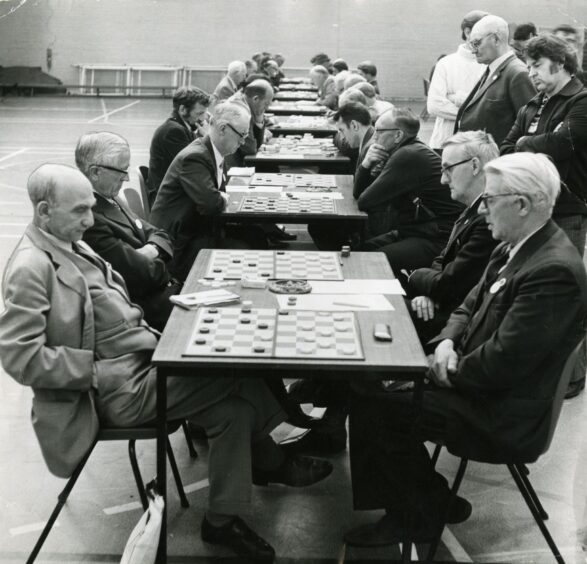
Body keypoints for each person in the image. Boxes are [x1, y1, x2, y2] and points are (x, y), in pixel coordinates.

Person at [0, 164, 333, 562]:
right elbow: (20, 357)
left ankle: (223, 520)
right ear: (43, 212)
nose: (90, 220)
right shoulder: (31, 268)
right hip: (111, 391)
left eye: (91, 208)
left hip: (141, 365)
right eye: (79, 211)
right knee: (240, 367)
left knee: (234, 411)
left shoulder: (71, 242)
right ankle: (275, 459)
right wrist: (93, 372)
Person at [345, 152, 587, 547]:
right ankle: (429, 497)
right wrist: (444, 343)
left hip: (502, 411)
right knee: (372, 381)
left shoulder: (552, 271)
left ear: (522, 204)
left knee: (376, 401)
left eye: (490, 200)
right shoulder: (517, 244)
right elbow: (467, 306)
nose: (482, 208)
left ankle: (412, 516)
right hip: (478, 383)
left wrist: (439, 369)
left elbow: (501, 365)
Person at [501, 34, 587, 398]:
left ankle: (572, 376)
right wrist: (527, 146)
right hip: (530, 213)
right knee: (533, 295)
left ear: (561, 63)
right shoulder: (533, 105)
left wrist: (525, 145)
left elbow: (561, 144)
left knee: (564, 298)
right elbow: (506, 148)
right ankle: (541, 373)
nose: (531, 73)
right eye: (530, 66)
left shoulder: (581, 102)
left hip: (567, 212)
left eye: (537, 66)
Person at [150, 101, 268, 282]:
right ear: (222, 129)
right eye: (242, 135)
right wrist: (220, 197)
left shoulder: (212, 151)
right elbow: (211, 204)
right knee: (249, 244)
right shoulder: (195, 157)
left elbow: (216, 196)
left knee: (256, 234)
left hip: (198, 229)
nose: (243, 141)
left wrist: (220, 196)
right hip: (181, 245)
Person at [77, 132, 180, 331]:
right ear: (95, 172)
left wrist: (150, 252)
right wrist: (162, 260)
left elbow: (160, 233)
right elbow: (141, 276)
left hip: (163, 291)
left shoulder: (111, 197)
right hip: (145, 310)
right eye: (121, 171)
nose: (127, 178)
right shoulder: (89, 218)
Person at [407, 131, 499, 342]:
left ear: (475, 166)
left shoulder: (488, 218)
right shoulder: (473, 207)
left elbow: (449, 285)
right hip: (445, 306)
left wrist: (414, 274)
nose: (442, 179)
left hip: (458, 324)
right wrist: (429, 293)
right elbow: (442, 259)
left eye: (448, 168)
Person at [357, 107, 464, 271]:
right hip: (417, 230)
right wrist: (366, 165)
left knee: (370, 263)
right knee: (358, 253)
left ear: (398, 135)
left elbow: (365, 201)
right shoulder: (405, 150)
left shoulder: (408, 155)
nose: (374, 137)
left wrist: (365, 167)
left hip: (438, 238)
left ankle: (404, 294)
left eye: (379, 131)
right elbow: (360, 196)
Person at [455, 14, 536, 146]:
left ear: (496, 39)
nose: (473, 51)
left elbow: (528, 129)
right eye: (471, 45)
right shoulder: (493, 69)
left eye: (476, 43)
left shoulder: (517, 73)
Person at [308, 102, 374, 251]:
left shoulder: (371, 147)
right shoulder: (368, 141)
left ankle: (345, 261)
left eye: (342, 130)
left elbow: (364, 192)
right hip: (366, 205)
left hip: (370, 216)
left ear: (355, 126)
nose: (341, 136)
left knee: (318, 225)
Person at [427, 10, 488, 150]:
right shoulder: (445, 63)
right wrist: (474, 114)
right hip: (444, 142)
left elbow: (491, 106)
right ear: (468, 32)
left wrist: (456, 98)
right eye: (485, 32)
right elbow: (434, 105)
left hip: (478, 145)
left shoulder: (490, 65)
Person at [147, 86, 211, 205]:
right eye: (200, 113)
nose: (203, 119)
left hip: (177, 195)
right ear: (183, 110)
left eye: (205, 113)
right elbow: (196, 167)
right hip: (168, 202)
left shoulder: (183, 128)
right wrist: (208, 138)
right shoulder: (173, 132)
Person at [226, 79, 274, 168]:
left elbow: (255, 147)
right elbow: (251, 150)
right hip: (231, 166)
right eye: (266, 104)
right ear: (255, 99)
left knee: (270, 166)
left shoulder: (243, 101)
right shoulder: (240, 111)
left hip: (237, 159)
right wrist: (259, 118)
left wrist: (259, 120)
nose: (267, 108)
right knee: (269, 167)